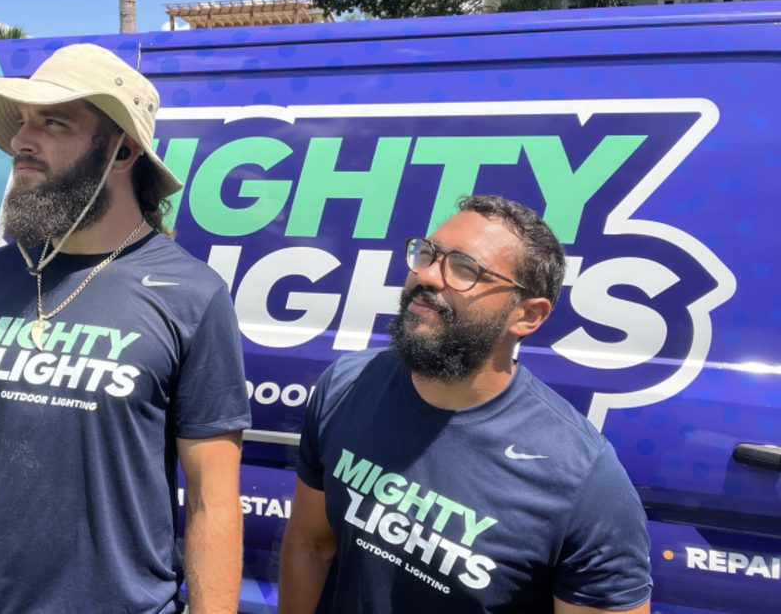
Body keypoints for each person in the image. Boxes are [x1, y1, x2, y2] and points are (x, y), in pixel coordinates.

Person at [0, 43, 251, 614]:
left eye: (52, 122)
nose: (21, 142)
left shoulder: (194, 295)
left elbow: (212, 502)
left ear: (121, 151)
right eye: (23, 122)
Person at [279, 195, 652, 614]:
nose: (428, 276)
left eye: (464, 268)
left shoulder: (584, 478)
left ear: (528, 316)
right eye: (428, 253)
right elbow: (311, 544)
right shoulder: (346, 385)